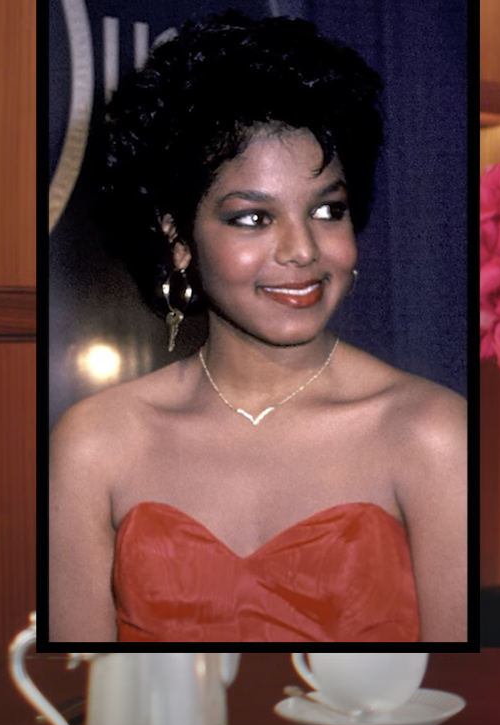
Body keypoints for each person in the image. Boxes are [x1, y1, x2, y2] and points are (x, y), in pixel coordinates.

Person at [48, 12, 466, 643]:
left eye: (328, 210)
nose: (302, 250)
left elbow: (465, 701)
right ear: (178, 239)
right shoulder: (97, 444)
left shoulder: (431, 434)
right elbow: (81, 706)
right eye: (252, 219)